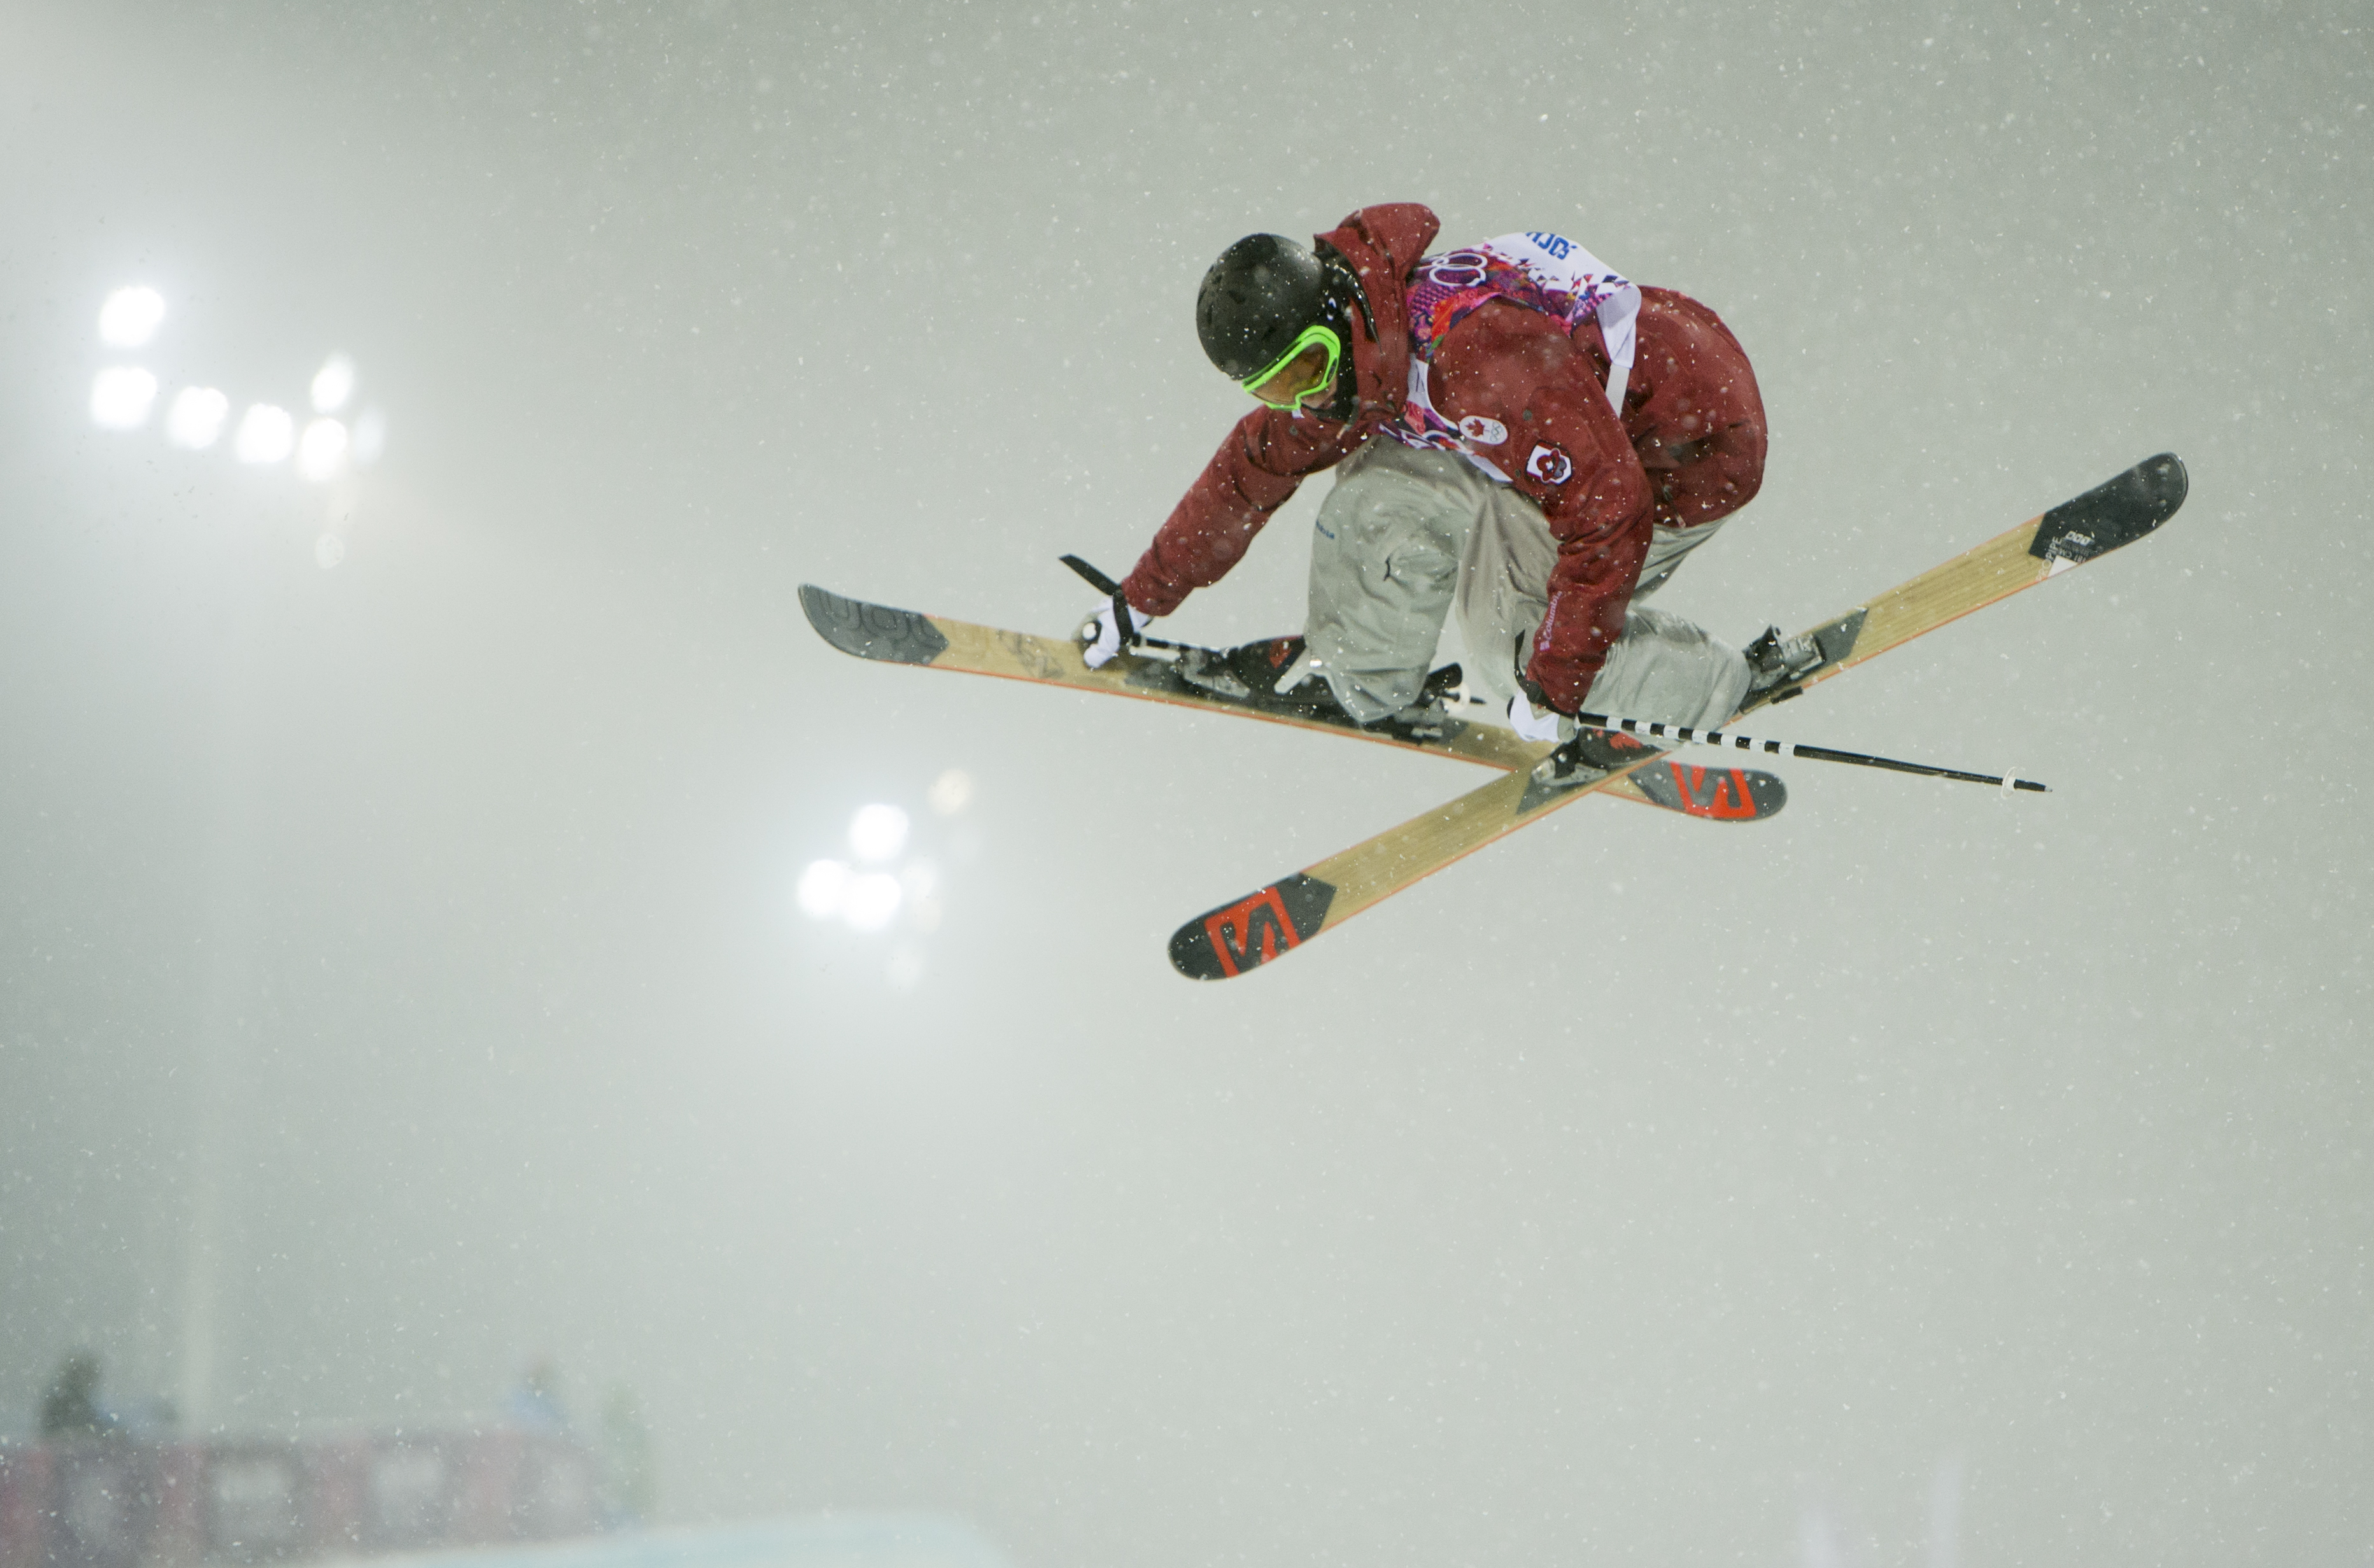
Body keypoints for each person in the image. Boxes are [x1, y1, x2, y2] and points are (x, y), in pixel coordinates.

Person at [1082, 204, 1819, 760]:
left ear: (1332, 317)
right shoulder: (1359, 361)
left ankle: (1713, 683)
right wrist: (1141, 598)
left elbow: (1610, 510)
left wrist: (1554, 682)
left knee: (1509, 647)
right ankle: (1366, 679)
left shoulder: (1479, 357)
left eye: (1306, 368)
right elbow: (1249, 473)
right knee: (1374, 498)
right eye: (1278, 391)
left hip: (1679, 449)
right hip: (1553, 440)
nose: (1307, 399)